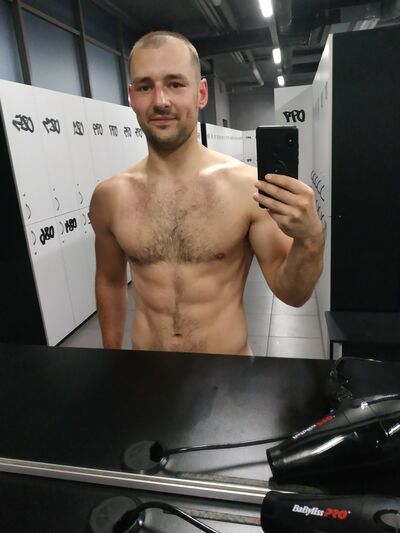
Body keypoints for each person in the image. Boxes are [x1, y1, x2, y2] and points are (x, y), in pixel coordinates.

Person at [89, 31, 324, 356]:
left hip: (227, 372)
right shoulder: (110, 197)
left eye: (175, 84)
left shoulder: (247, 189)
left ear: (201, 93)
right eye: (145, 87)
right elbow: (110, 281)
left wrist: (310, 239)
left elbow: (293, 294)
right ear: (131, 97)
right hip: (148, 370)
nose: (160, 100)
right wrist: (112, 358)